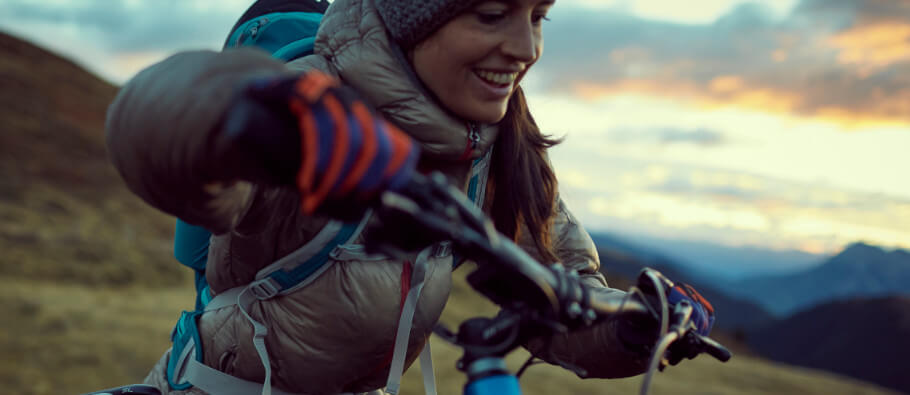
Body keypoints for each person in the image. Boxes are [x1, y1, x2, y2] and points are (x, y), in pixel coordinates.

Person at [105, 0, 715, 394]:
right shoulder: (310, 103)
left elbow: (560, 295)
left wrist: (639, 328)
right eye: (494, 13)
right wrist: (246, 119)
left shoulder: (500, 150)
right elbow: (160, 133)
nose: (527, 48)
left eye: (537, 16)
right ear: (412, 19)